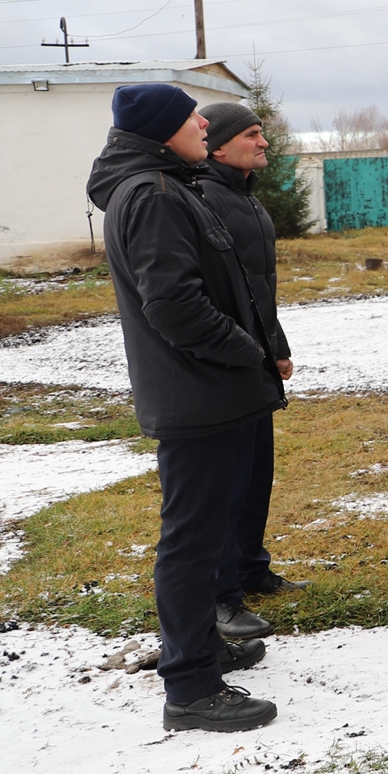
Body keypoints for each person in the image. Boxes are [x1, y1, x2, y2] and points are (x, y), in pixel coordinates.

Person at [86, 83, 284, 732]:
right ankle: (192, 687)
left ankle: (203, 646)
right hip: (195, 394)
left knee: (202, 535)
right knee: (192, 542)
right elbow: (172, 304)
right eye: (190, 115)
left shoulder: (166, 186)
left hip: (206, 391)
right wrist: (246, 349)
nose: (203, 122)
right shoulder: (155, 194)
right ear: (162, 130)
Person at [192, 102, 305, 652]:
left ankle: (252, 568)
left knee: (258, 471)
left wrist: (275, 347)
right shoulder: (204, 199)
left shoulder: (245, 197)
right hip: (224, 364)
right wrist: (246, 349)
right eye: (252, 135)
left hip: (256, 358)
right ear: (218, 146)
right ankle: (222, 595)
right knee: (229, 483)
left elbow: (261, 289)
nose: (264, 143)